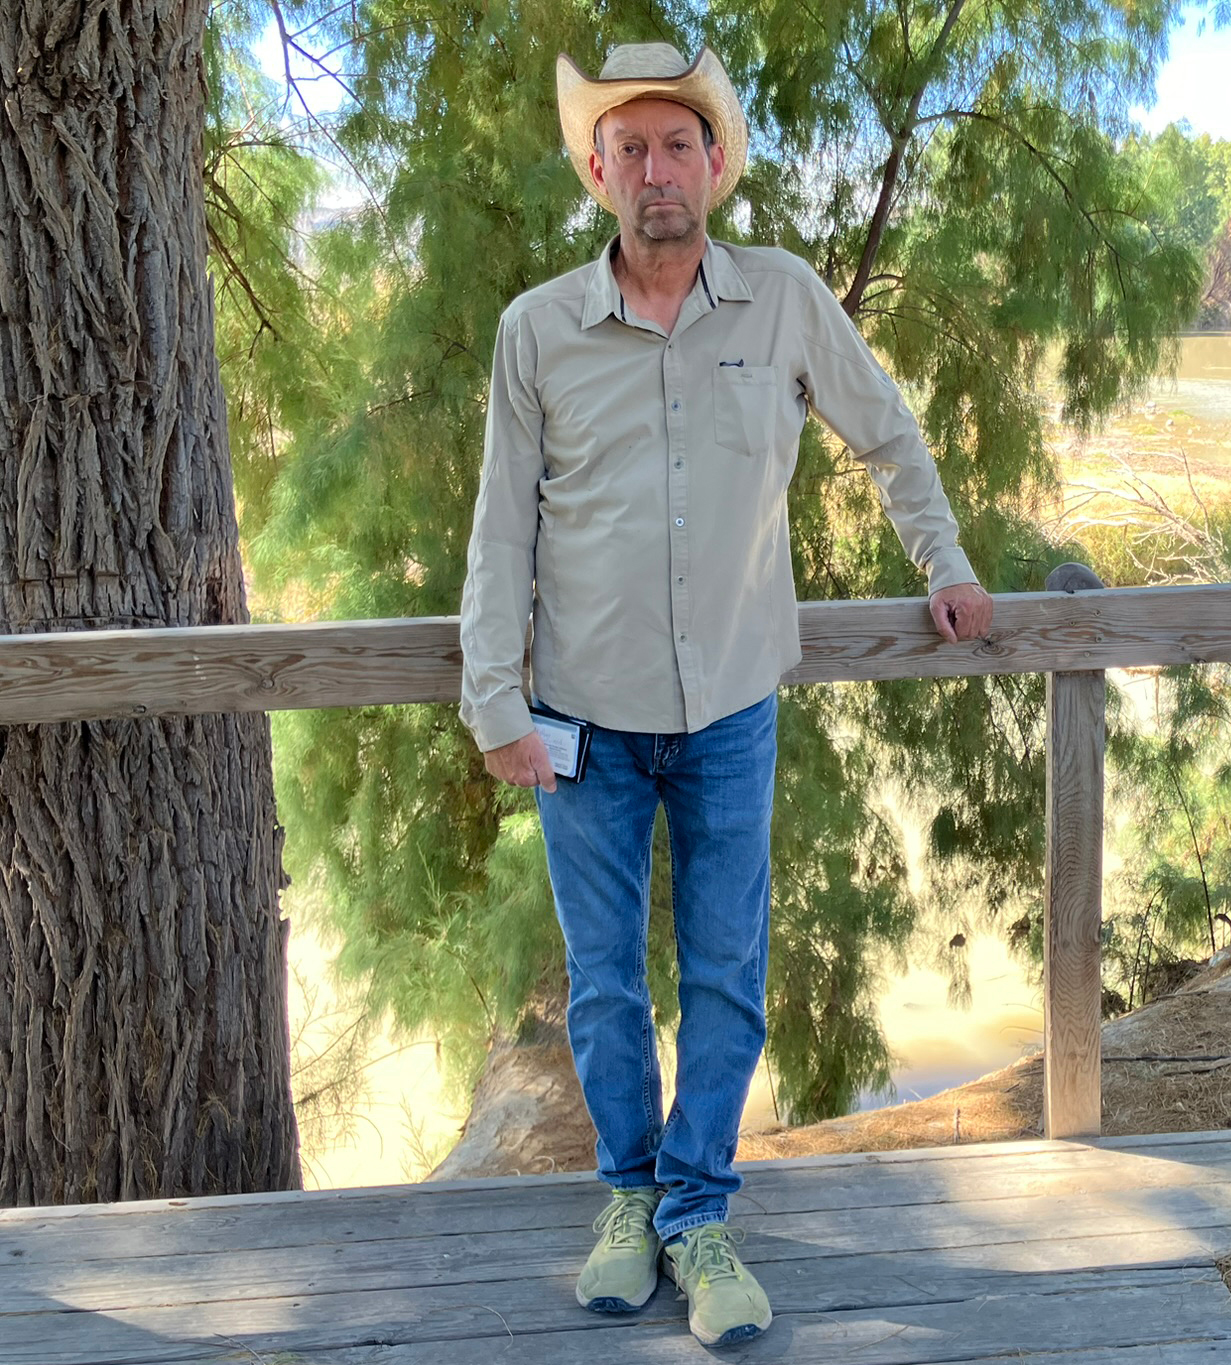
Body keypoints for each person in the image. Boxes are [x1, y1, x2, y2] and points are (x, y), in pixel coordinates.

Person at [456, 39, 995, 1348]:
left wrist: (947, 560)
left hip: (731, 715)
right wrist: (494, 700)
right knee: (601, 987)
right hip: (579, 716)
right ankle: (629, 1201)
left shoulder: (789, 301)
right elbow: (499, 538)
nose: (655, 170)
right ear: (600, 171)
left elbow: (888, 432)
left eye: (676, 145)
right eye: (628, 148)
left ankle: (699, 1212)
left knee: (727, 975)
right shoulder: (537, 331)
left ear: (714, 164)